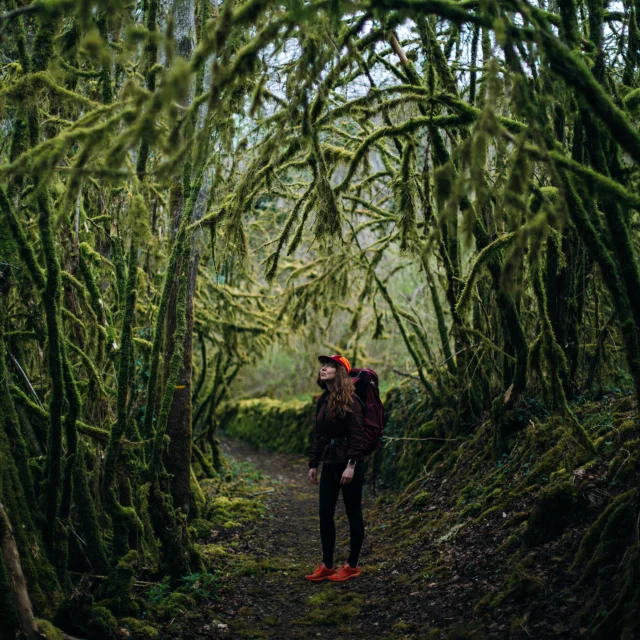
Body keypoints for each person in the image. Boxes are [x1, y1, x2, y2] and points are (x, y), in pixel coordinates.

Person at [305, 354, 367, 582]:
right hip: (330, 463)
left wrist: (351, 465)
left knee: (353, 513)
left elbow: (357, 435)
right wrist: (314, 463)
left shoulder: (352, 400)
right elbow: (319, 435)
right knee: (324, 512)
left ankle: (352, 565)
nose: (323, 368)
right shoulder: (323, 399)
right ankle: (328, 564)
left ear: (340, 372)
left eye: (330, 366)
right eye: (323, 365)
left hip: (349, 464)